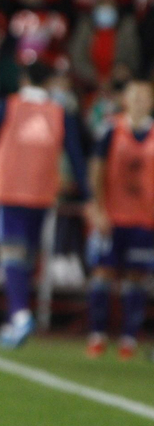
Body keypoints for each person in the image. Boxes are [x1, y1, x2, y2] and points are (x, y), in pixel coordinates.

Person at [0, 60, 87, 349]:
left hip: (10, 189)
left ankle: (19, 313)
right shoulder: (60, 112)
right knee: (27, 253)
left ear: (24, 79)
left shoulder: (10, 105)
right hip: (42, 192)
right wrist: (87, 195)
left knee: (10, 252)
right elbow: (76, 156)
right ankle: (15, 318)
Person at [84, 78, 154, 360]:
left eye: (144, 96)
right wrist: (99, 209)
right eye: (133, 95)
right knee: (103, 273)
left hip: (145, 218)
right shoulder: (111, 130)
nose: (138, 100)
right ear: (125, 99)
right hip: (113, 215)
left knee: (136, 277)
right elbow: (97, 169)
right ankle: (97, 334)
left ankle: (129, 339)